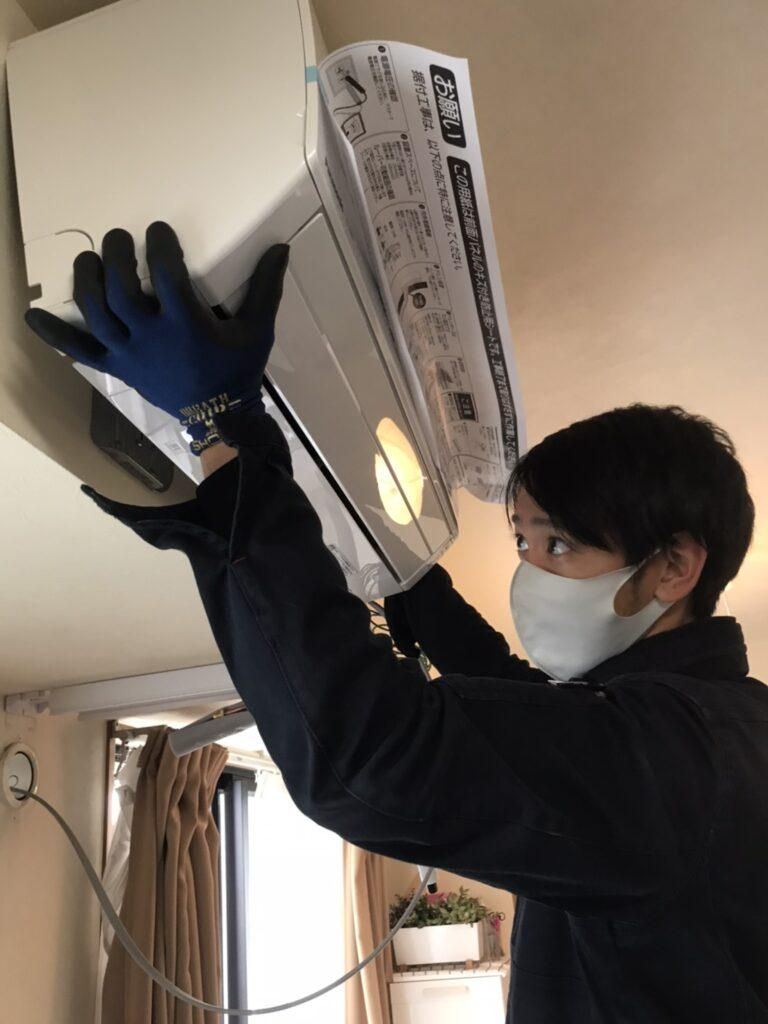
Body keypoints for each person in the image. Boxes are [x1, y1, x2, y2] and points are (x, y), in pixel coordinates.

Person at [25, 224, 766, 1023]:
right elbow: (519, 705)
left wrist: (221, 424)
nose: (530, 572)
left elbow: (368, 755)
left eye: (558, 545)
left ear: (672, 566)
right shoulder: (713, 733)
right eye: (522, 543)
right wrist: (410, 579)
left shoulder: (679, 755)